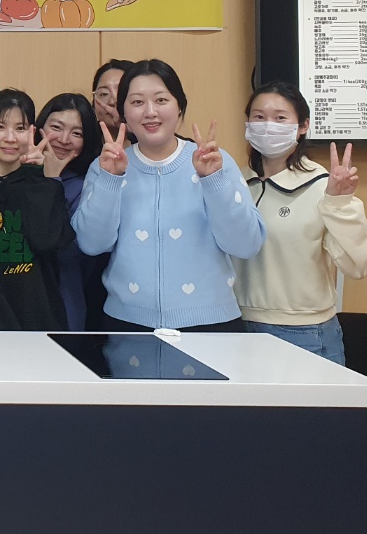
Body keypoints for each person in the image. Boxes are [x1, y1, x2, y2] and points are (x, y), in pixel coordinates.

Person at [73, 60, 266, 332]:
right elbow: (92, 244)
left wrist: (213, 181)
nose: (150, 112)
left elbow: (246, 244)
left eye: (161, 100)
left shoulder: (214, 162)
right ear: (124, 113)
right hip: (127, 324)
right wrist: (110, 180)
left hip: (211, 324)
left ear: (179, 106)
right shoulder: (106, 166)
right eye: (137, 102)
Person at [233, 82, 367, 364]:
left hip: (304, 332)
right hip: (238, 327)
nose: (268, 126)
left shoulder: (323, 187)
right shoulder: (235, 183)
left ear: (303, 126)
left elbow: (359, 266)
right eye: (259, 117)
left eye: (280, 118)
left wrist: (340, 203)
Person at [0, 89, 73, 331]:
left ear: (32, 133)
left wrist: (37, 179)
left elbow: (47, 240)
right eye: (0, 127)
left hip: (36, 324)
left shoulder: (44, 185)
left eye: (20, 128)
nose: (10, 138)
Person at [35, 92, 107, 330]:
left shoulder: (87, 184)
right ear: (39, 127)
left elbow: (67, 253)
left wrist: (52, 180)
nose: (64, 140)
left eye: (77, 133)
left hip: (64, 304)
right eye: (56, 127)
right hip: (16, 303)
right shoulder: (18, 175)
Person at [90, 58, 135, 137]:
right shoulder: (82, 141)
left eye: (120, 92)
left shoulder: (153, 139)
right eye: (104, 94)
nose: (112, 102)